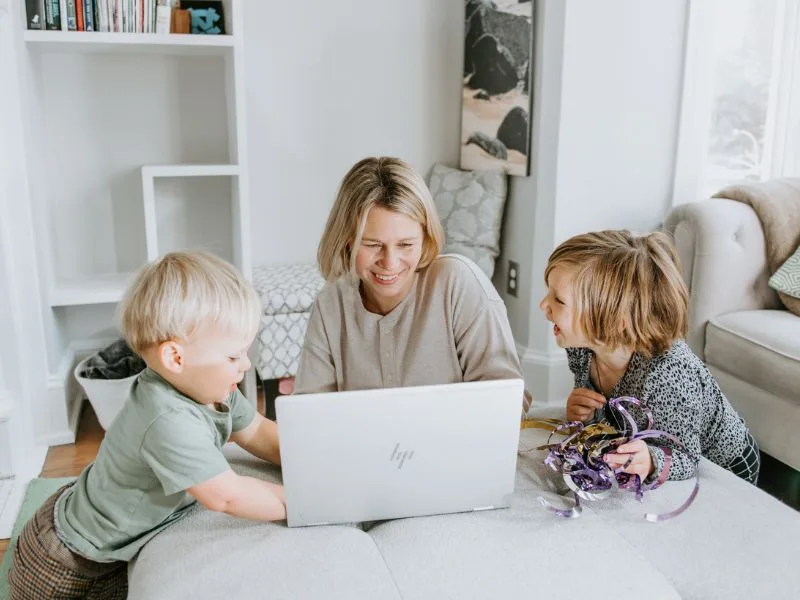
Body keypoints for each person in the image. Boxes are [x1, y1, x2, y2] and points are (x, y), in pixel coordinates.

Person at [8, 251, 285, 600]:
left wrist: (302, 457)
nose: (246, 365)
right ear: (176, 358)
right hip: (70, 561)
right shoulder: (167, 419)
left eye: (245, 351)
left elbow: (257, 431)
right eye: (233, 356)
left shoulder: (211, 388)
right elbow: (227, 496)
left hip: (96, 522)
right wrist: (301, 501)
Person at [539, 230, 760, 485]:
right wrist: (587, 413)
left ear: (614, 322)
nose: (543, 305)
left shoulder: (668, 374)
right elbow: (614, 417)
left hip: (725, 462)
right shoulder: (582, 347)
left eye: (559, 300)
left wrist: (653, 458)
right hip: (647, 436)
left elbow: (686, 457)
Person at [294, 156, 525, 399]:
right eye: (373, 244)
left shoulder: (457, 284)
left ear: (425, 238)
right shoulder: (331, 303)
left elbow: (507, 397)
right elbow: (310, 405)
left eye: (405, 244)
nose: (390, 263)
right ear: (347, 240)